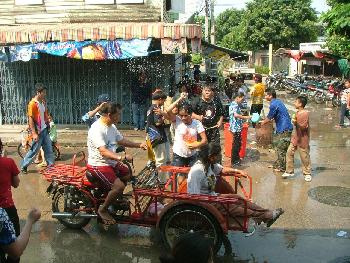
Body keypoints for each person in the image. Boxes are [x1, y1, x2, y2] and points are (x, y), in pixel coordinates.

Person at [187, 144, 284, 227]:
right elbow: (194, 196)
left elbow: (222, 170)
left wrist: (237, 171)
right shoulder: (198, 171)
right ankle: (266, 216)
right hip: (207, 202)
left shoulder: (209, 165)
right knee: (234, 206)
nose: (219, 157)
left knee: (238, 199)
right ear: (210, 156)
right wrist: (214, 202)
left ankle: (267, 213)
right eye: (217, 155)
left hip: (213, 197)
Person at [87, 102, 147, 225]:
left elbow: (121, 140)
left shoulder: (111, 126)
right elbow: (103, 151)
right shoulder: (97, 129)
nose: (120, 117)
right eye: (118, 115)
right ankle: (102, 210)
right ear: (109, 115)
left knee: (127, 174)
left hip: (110, 162)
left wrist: (139, 145)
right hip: (99, 164)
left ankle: (112, 198)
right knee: (119, 186)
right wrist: (120, 157)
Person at [20, 83, 54, 174]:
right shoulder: (32, 104)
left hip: (44, 130)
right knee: (34, 151)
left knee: (49, 149)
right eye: (43, 92)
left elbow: (44, 115)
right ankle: (24, 165)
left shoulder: (43, 102)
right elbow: (30, 119)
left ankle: (51, 166)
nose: (45, 94)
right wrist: (34, 133)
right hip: (38, 132)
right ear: (38, 92)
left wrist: (48, 124)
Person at [260, 88, 293, 172]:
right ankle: (278, 164)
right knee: (279, 147)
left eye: (266, 95)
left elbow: (269, 117)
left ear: (270, 96)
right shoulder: (278, 101)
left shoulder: (273, 104)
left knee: (281, 148)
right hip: (284, 127)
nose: (265, 96)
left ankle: (282, 167)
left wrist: (262, 123)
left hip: (284, 128)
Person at [192, 84, 224, 163]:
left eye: (209, 91)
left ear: (212, 92)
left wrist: (220, 121)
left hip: (214, 130)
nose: (207, 93)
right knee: (202, 151)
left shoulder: (216, 101)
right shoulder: (196, 101)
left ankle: (217, 168)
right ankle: (203, 168)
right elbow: (189, 113)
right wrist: (198, 117)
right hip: (201, 131)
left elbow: (221, 113)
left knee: (215, 150)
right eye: (205, 91)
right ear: (202, 91)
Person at [0, 139, 21, 263]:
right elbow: (16, 183)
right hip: (7, 209)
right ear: (1, 147)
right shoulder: (8, 162)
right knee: (14, 249)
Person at [282, 96, 312, 182]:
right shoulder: (298, 112)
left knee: (304, 156)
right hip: (295, 137)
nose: (294, 103)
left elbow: (303, 127)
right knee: (289, 152)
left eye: (296, 102)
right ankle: (289, 171)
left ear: (300, 104)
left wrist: (296, 122)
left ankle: (307, 173)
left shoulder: (304, 113)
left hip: (303, 138)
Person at [146, 90, 169, 182]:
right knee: (160, 160)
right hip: (157, 138)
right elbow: (158, 123)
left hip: (150, 137)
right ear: (160, 99)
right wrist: (163, 117)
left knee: (153, 160)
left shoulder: (150, 107)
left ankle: (151, 180)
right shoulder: (156, 108)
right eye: (163, 100)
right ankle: (160, 182)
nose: (164, 102)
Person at [229, 93, 251, 166]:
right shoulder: (234, 104)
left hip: (236, 127)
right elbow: (236, 115)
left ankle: (236, 159)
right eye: (242, 99)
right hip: (235, 128)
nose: (243, 100)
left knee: (237, 144)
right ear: (238, 97)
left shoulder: (234, 104)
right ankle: (234, 161)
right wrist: (246, 117)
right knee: (236, 145)